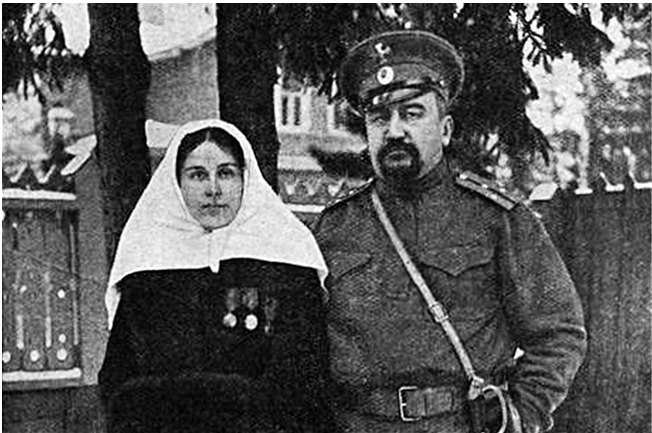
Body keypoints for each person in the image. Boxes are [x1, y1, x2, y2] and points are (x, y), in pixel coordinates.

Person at [312, 30, 587, 433]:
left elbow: (559, 334)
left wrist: (519, 414)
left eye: (412, 114)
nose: (394, 131)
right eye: (379, 118)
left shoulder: (497, 220)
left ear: (445, 129)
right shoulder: (335, 227)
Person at [99, 119, 332, 433]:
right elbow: (119, 380)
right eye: (197, 175)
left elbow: (305, 381)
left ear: (245, 179)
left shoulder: (287, 257)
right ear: (176, 183)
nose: (213, 189)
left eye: (226, 173)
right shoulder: (147, 264)